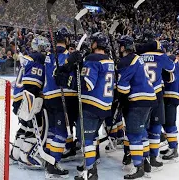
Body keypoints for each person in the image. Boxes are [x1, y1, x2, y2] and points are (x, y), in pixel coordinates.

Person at [74, 32, 115, 180]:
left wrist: (77, 71)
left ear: (96, 44)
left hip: (92, 105)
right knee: (92, 136)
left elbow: (88, 84)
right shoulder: (109, 61)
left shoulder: (93, 59)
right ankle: (89, 164)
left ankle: (91, 172)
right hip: (105, 106)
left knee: (85, 139)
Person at [116, 35, 157, 179]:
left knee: (134, 134)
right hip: (150, 99)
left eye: (120, 46)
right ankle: (146, 163)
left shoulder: (127, 61)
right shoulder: (137, 58)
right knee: (142, 133)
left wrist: (120, 100)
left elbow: (123, 87)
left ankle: (138, 167)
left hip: (138, 100)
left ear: (123, 47)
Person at [43, 27, 78, 179]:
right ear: (67, 40)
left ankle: (49, 159)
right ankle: (53, 165)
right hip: (61, 97)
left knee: (53, 131)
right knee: (62, 133)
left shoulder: (49, 55)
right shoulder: (64, 56)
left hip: (48, 98)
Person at [138, 32, 175, 171]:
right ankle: (154, 157)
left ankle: (144, 157)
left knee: (142, 127)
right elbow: (171, 68)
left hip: (141, 94)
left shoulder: (138, 56)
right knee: (156, 126)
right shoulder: (159, 55)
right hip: (156, 94)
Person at [10, 35, 49, 169]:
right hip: (27, 99)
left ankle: (15, 154)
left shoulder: (27, 58)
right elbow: (32, 85)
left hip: (18, 98)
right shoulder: (37, 60)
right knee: (35, 126)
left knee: (24, 126)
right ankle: (26, 156)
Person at [161, 42, 179, 162]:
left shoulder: (171, 59)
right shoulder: (171, 59)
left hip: (171, 95)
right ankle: (171, 146)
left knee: (169, 123)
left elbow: (170, 77)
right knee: (166, 123)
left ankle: (173, 148)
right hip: (171, 95)